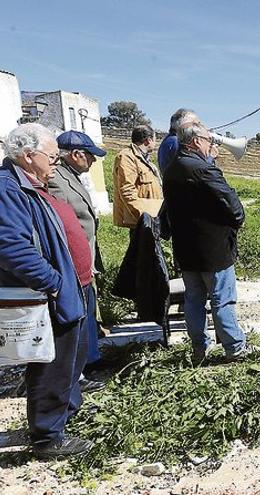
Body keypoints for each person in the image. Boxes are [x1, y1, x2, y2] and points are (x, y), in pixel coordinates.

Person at [0, 123, 92, 458]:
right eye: (51, 156)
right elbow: (11, 247)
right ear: (27, 156)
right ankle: (47, 439)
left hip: (71, 286)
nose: (56, 161)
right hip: (50, 293)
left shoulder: (31, 183)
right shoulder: (7, 189)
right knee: (52, 364)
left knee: (71, 357)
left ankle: (63, 414)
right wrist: (53, 283)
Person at [163, 123, 250, 363]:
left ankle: (200, 349)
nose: (212, 143)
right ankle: (236, 348)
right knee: (222, 299)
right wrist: (238, 220)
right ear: (194, 142)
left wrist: (208, 161)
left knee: (194, 299)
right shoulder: (202, 169)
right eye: (207, 139)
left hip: (187, 248)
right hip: (213, 249)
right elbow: (228, 201)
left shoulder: (172, 167)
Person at [48, 131, 107, 390]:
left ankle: (89, 360)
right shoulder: (56, 180)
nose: (93, 162)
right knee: (77, 316)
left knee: (87, 310)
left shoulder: (71, 176)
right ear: (76, 154)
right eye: (91, 156)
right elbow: (60, 225)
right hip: (71, 262)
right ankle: (77, 374)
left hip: (84, 260)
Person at [113, 125, 163, 229]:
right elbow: (127, 190)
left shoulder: (144, 160)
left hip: (152, 216)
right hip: (142, 220)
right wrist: (143, 217)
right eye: (154, 139)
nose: (155, 143)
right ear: (148, 140)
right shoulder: (127, 157)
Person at [157, 108, 201, 175]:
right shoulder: (175, 142)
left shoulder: (169, 139)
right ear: (183, 125)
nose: (199, 127)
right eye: (194, 124)